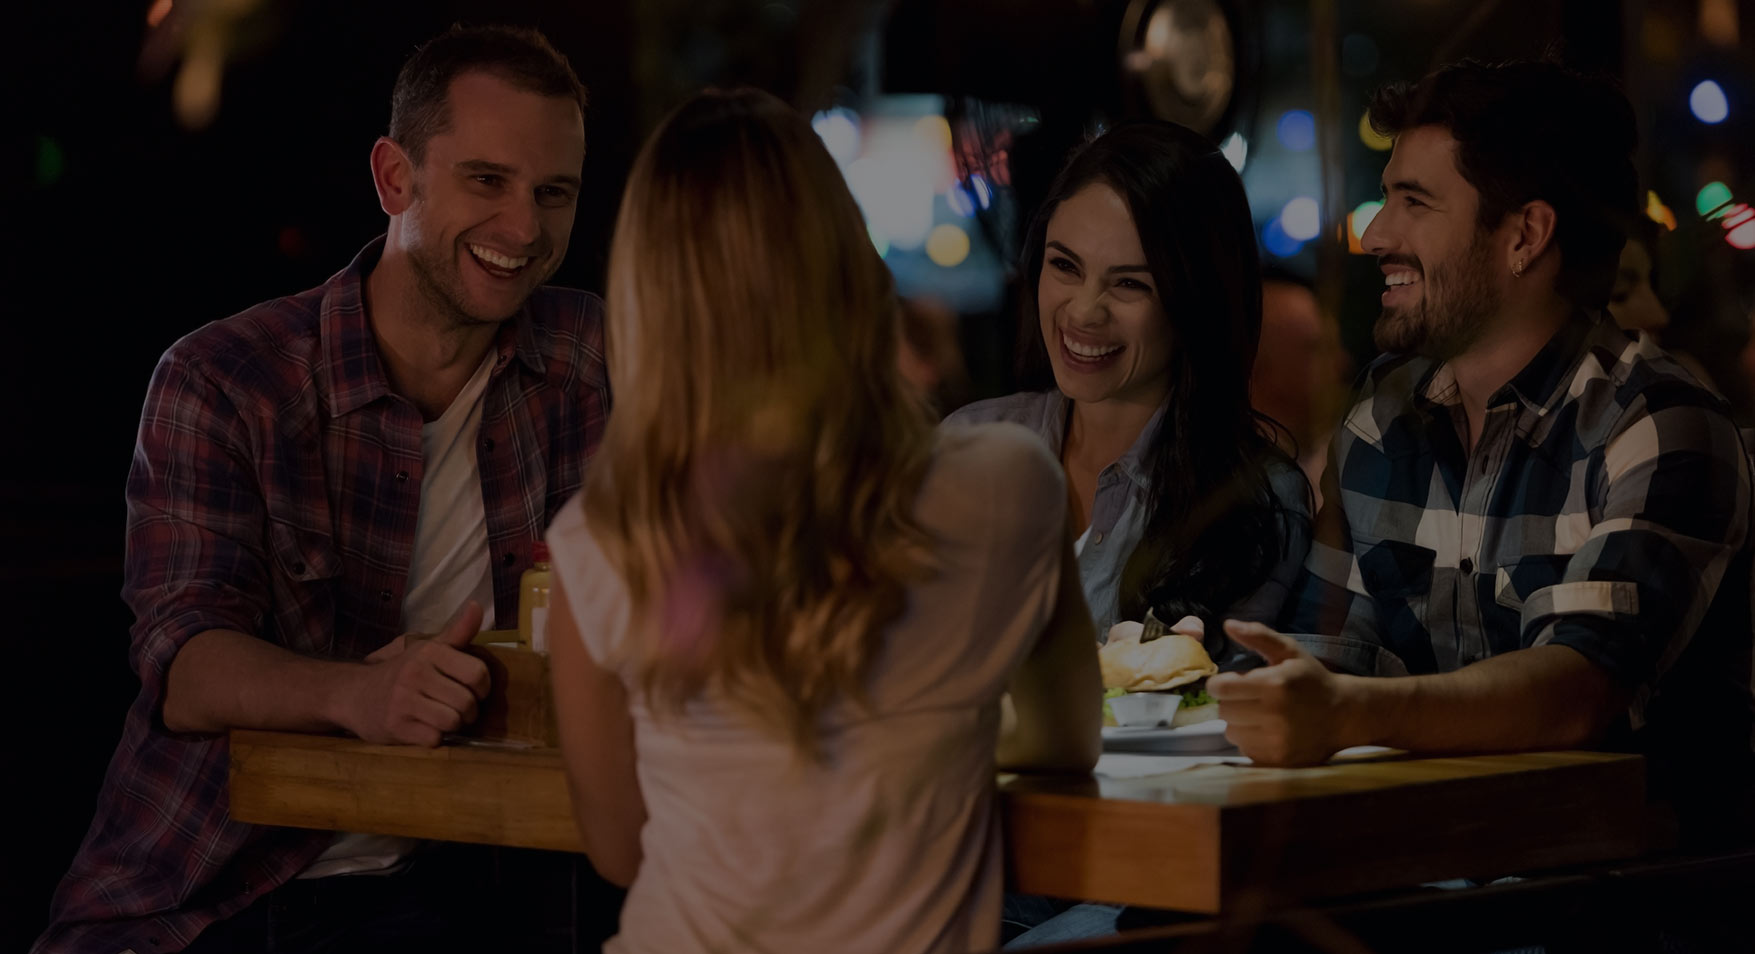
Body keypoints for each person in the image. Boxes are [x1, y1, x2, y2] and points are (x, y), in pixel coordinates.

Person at [36, 25, 609, 954]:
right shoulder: (224, 378)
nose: (524, 230)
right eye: (486, 182)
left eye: (554, 193)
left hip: (474, 876)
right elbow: (185, 668)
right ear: (394, 179)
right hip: (219, 889)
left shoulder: (588, 355)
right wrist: (359, 697)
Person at [542, 88, 1101, 954]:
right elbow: (1068, 745)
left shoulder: (601, 540)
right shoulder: (1006, 482)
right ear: (846, 258)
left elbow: (619, 851)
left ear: (649, 299)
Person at [1214, 60, 1752, 841]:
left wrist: (1344, 712)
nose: (1374, 235)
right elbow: (1327, 656)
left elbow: (1575, 690)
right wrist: (1220, 686)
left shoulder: (1655, 422)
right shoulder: (1381, 423)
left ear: (1524, 236)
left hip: (1626, 904)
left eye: (1412, 202)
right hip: (1424, 881)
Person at [946, 120, 1311, 651]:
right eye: (1065, 266)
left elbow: (1220, 714)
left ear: (1196, 298)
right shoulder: (967, 445)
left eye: (1129, 283)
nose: (1084, 311)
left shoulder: (1254, 502)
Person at [1249, 267, 1353, 508]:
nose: (1342, 364)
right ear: (1254, 365)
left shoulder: (1346, 464)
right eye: (1317, 349)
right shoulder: (1229, 487)